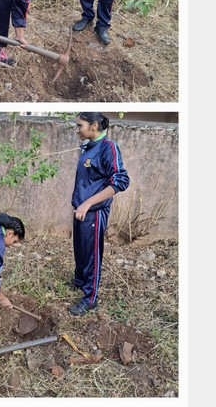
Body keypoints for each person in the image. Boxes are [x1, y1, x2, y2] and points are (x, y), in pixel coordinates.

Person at [69, 112, 130, 316]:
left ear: (94, 125)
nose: (77, 129)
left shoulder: (108, 148)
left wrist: (87, 204)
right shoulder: (89, 147)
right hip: (81, 210)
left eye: (80, 125)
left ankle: (90, 298)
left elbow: (120, 181)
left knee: (92, 255)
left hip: (94, 212)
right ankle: (80, 282)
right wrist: (80, 205)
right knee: (80, 249)